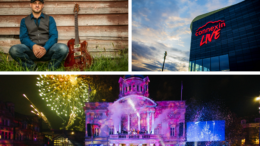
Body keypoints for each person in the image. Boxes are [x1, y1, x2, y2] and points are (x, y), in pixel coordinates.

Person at [9, 0, 69, 71]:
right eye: (35, 3)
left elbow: (54, 36)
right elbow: (23, 37)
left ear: (42, 5)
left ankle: (50, 69)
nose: (37, 5)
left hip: (48, 50)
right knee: (14, 50)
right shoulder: (24, 21)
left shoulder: (50, 19)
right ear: (30, 4)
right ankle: (32, 67)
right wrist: (33, 46)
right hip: (31, 51)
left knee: (63, 48)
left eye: (39, 3)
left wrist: (45, 48)